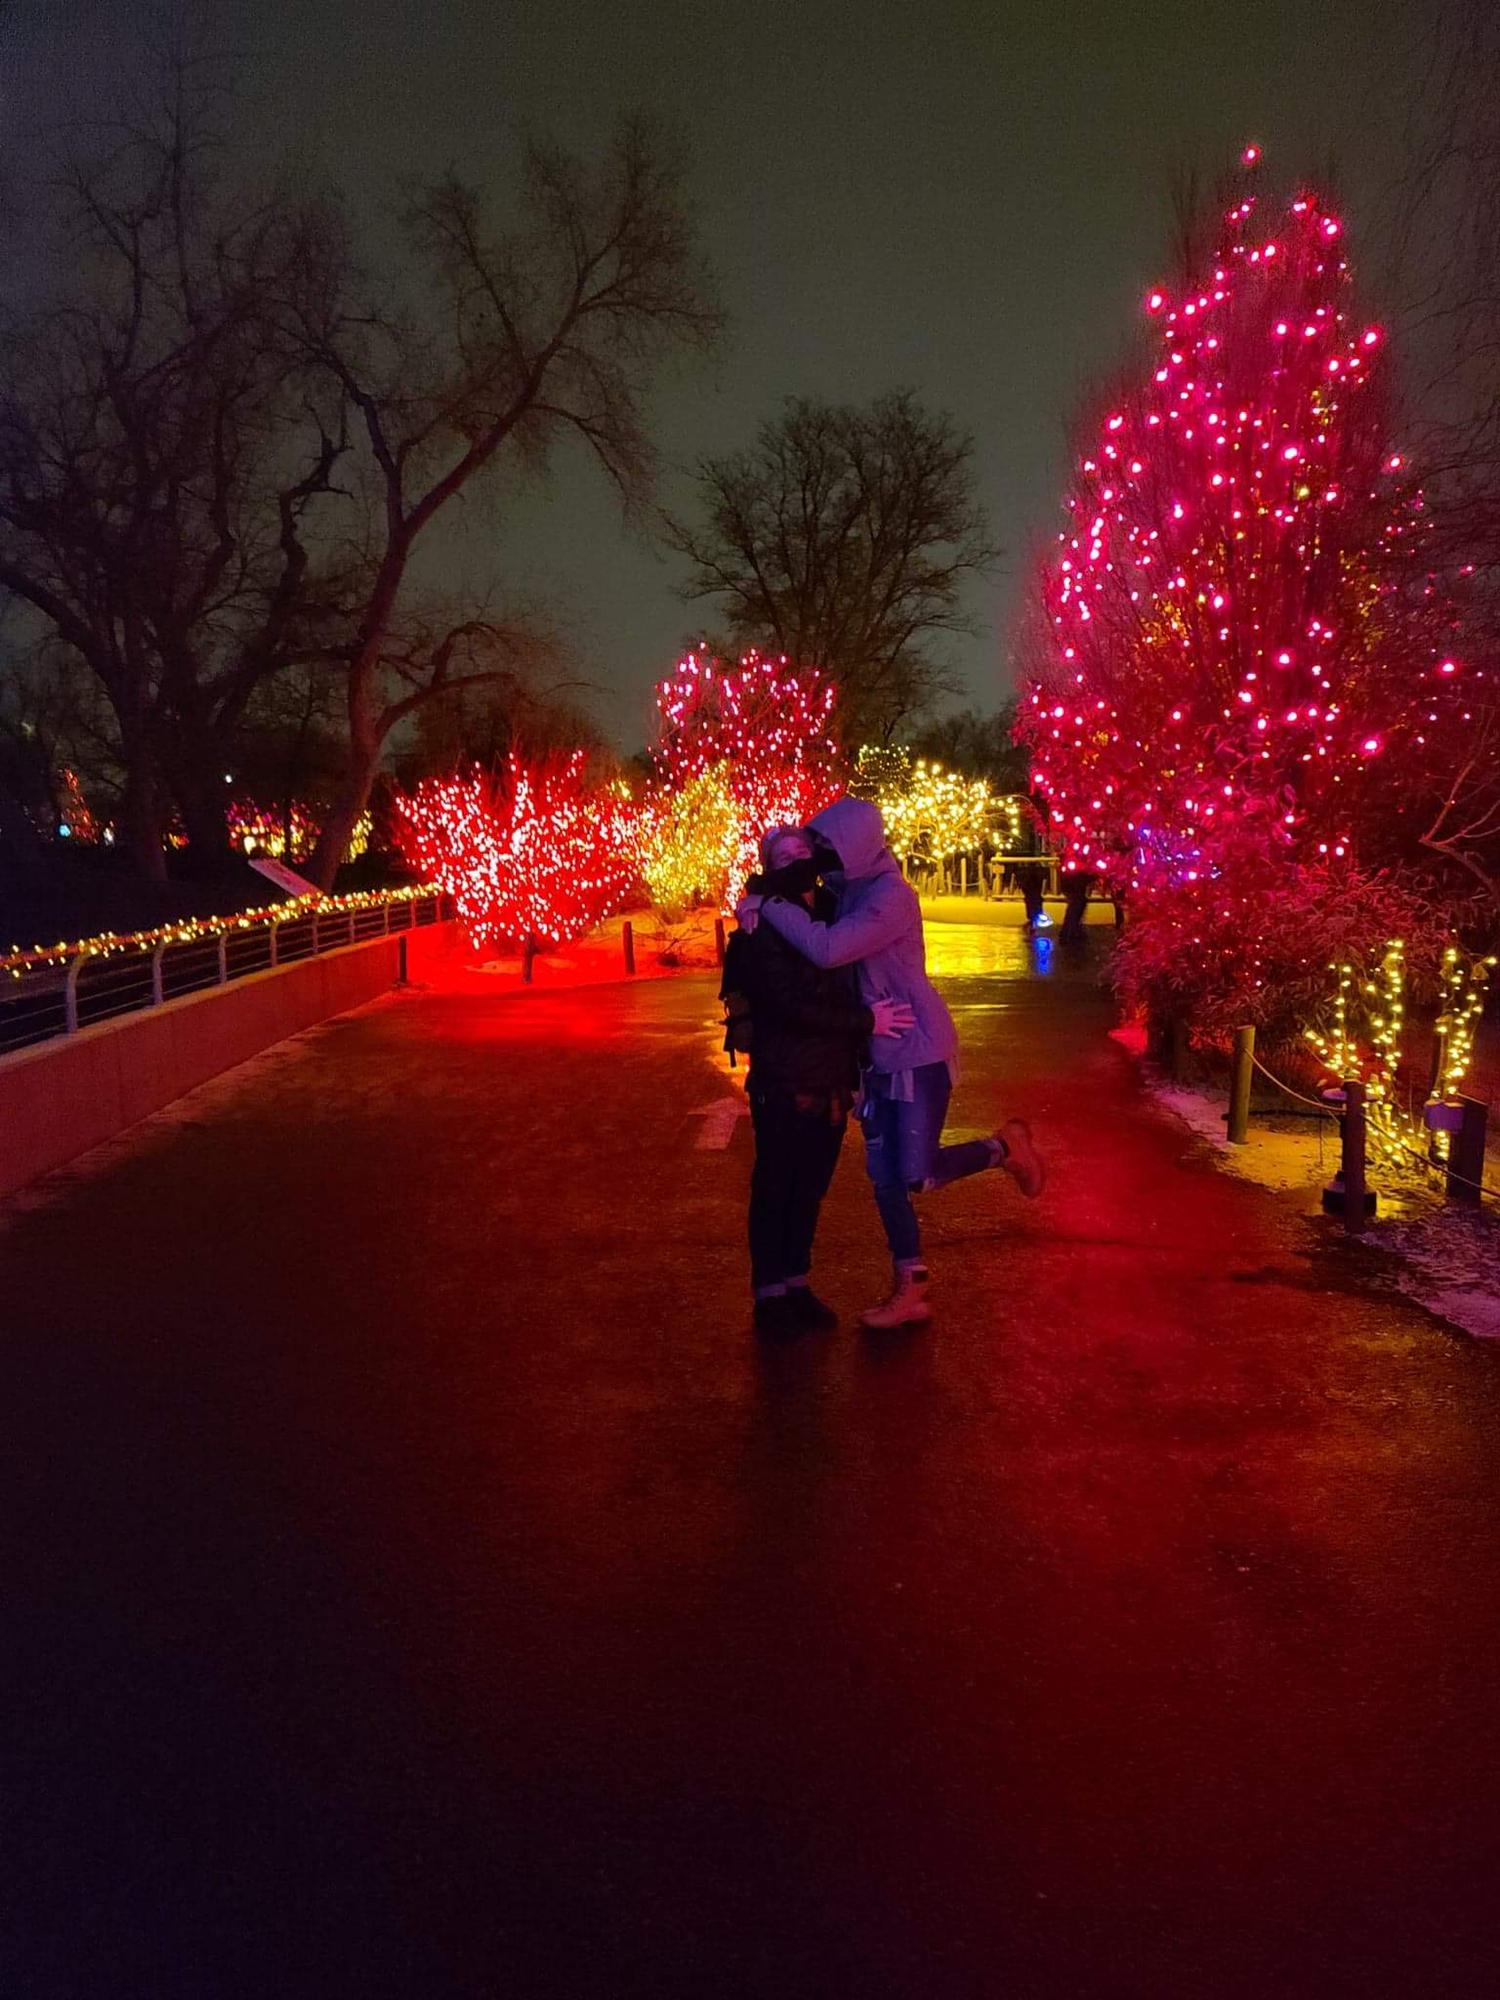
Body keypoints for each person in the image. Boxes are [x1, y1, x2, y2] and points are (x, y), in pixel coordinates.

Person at [738, 797, 1046, 1330]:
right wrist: (757, 895)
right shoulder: (843, 892)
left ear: (855, 847)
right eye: (810, 850)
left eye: (820, 850)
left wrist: (764, 900)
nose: (815, 861)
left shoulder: (889, 898)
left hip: (915, 1046)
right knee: (881, 1176)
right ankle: (910, 1286)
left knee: (914, 1174)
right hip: (867, 1057)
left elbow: (830, 950)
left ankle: (1003, 1148)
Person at [722, 826, 915, 1337]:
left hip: (830, 1078)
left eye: (803, 851)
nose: (796, 860)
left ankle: (796, 1282)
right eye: (783, 855)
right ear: (769, 863)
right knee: (776, 1186)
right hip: (784, 1078)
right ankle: (769, 1295)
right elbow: (786, 1005)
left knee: (809, 1188)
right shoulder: (764, 922)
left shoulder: (836, 907)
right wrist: (865, 1023)